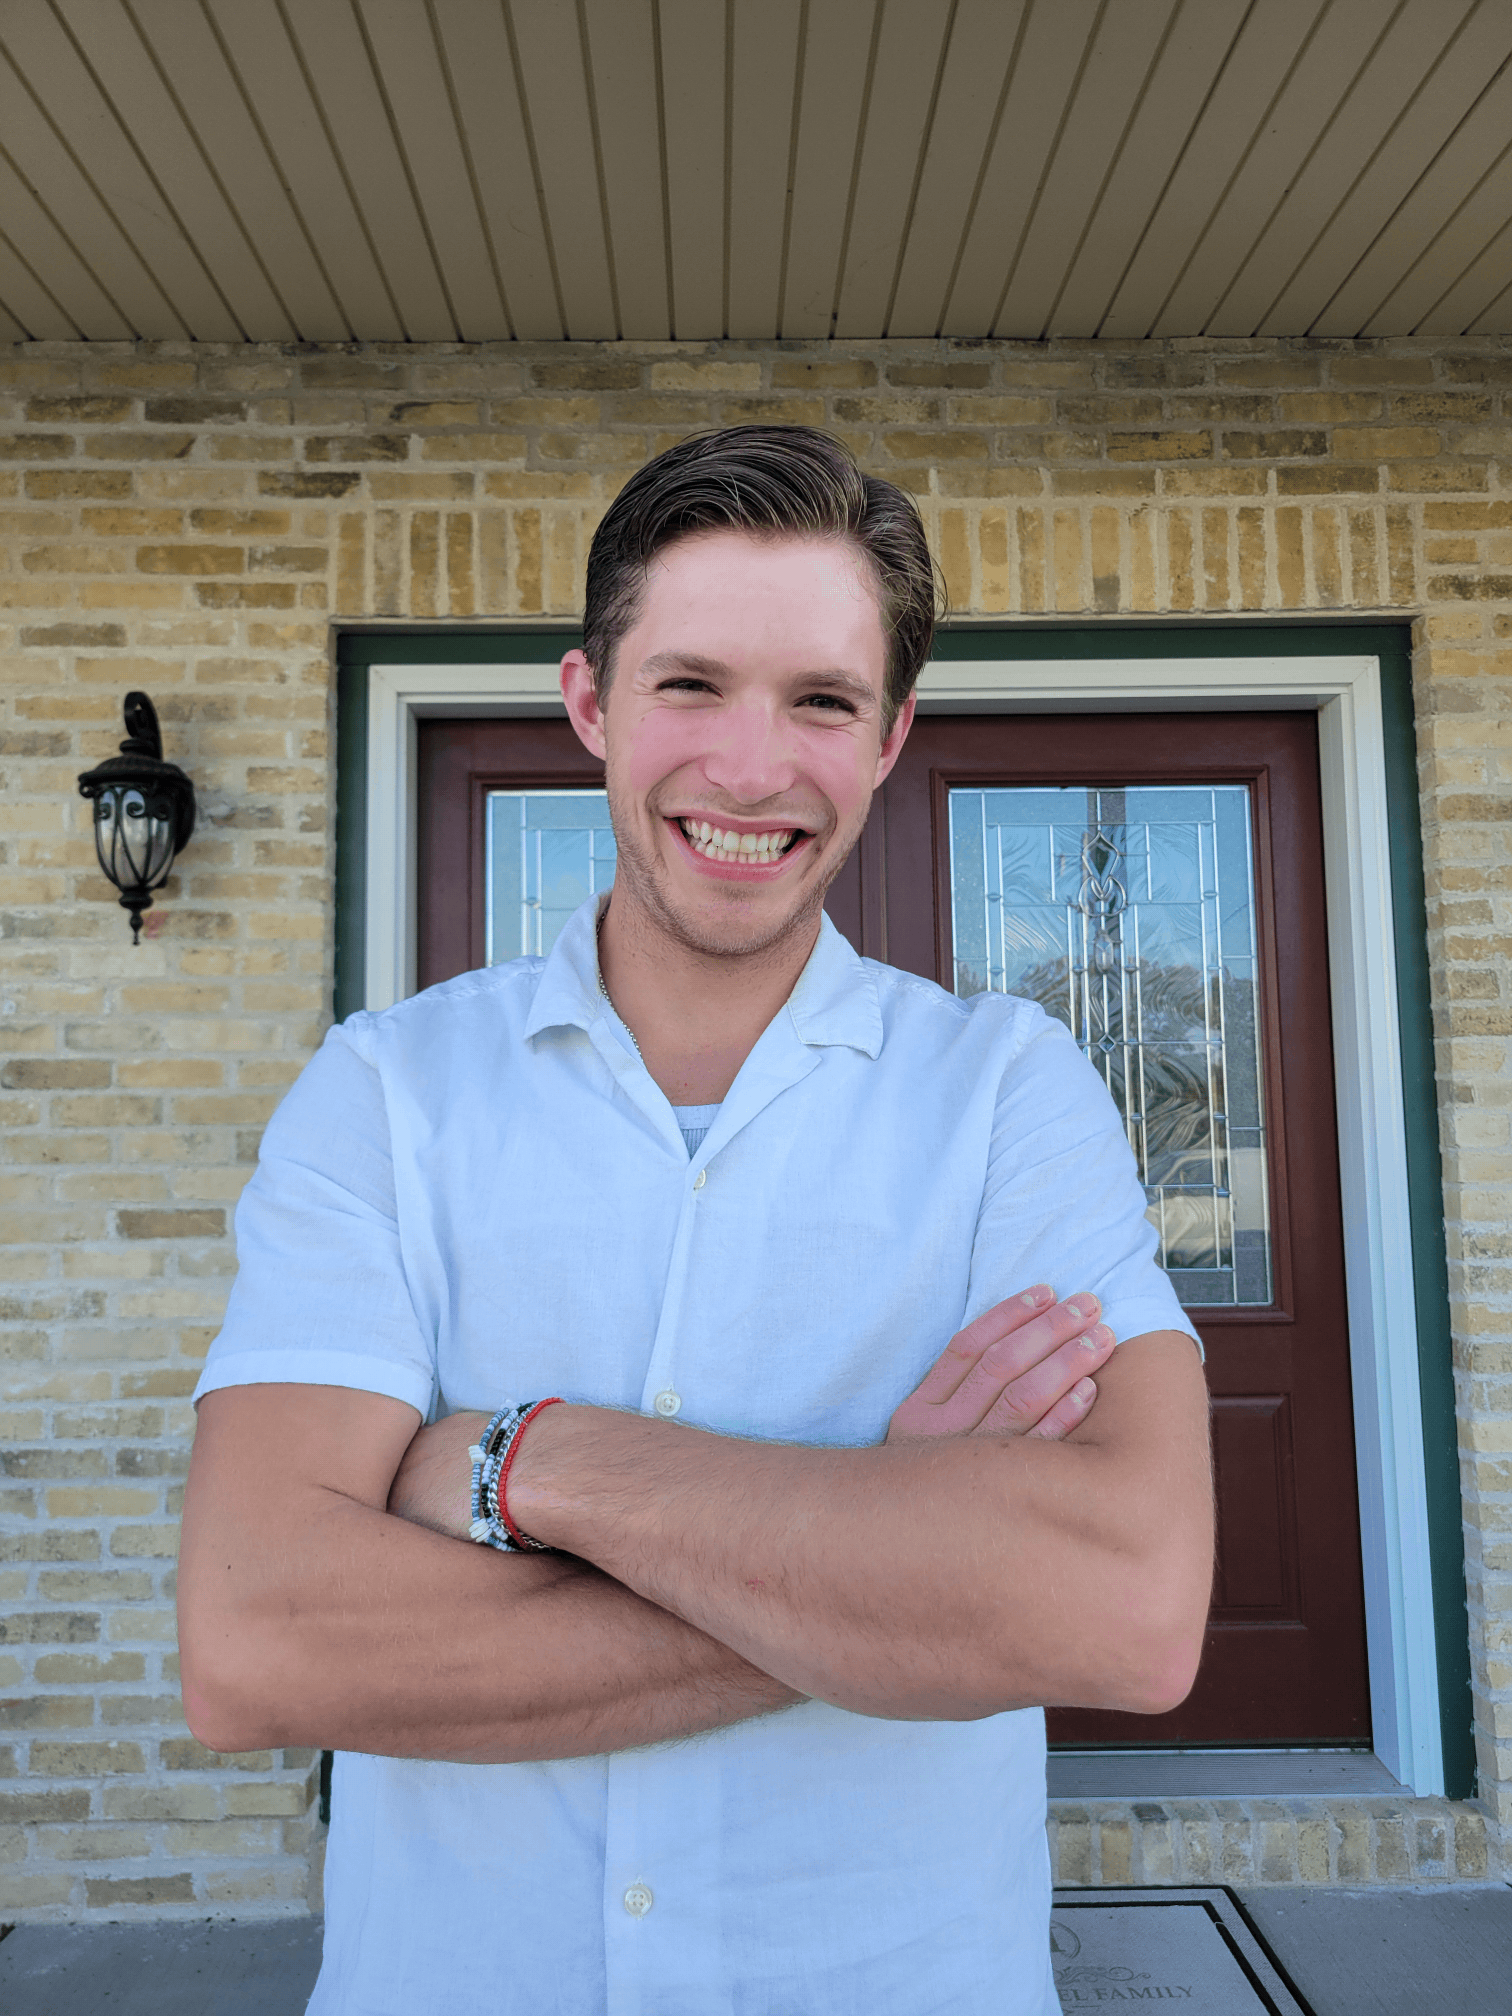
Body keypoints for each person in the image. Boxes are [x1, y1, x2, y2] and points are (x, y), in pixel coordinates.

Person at [178, 425, 1212, 2016]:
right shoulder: (385, 1092)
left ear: (889, 738)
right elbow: (260, 1638)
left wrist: (533, 1461)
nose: (750, 767)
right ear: (591, 703)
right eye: (690, 685)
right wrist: (898, 1551)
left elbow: (1131, 1613)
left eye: (821, 701)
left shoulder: (1010, 1089)